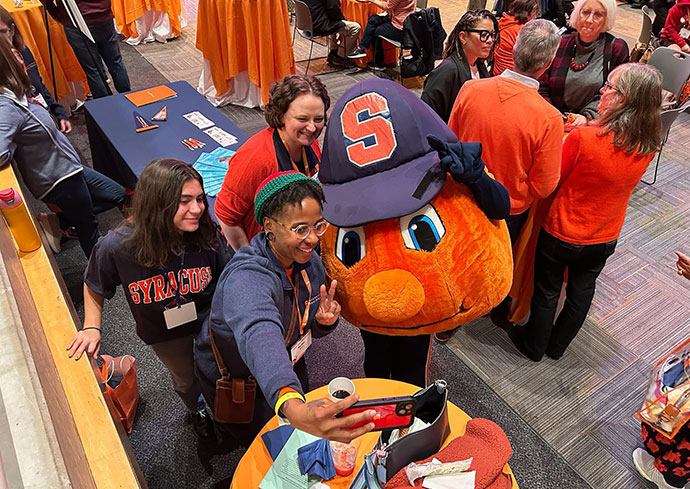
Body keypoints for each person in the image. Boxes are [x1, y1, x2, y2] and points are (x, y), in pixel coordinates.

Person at [196, 172, 375, 446]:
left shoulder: (309, 263)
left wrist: (323, 323)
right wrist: (292, 404)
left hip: (289, 362)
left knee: (287, 429)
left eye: (318, 226)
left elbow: (300, 324)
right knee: (255, 438)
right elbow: (260, 332)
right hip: (242, 378)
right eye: (300, 228)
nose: (313, 239)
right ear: (269, 226)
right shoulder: (247, 276)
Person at [66, 159, 233, 441]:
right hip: (164, 331)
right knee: (186, 378)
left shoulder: (203, 229)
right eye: (184, 201)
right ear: (158, 203)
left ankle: (224, 409)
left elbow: (230, 275)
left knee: (219, 369)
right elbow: (94, 282)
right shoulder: (117, 245)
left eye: (200, 199)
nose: (197, 209)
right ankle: (198, 411)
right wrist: (92, 327)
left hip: (208, 318)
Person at [509, 63, 662, 362]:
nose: (602, 91)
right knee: (582, 292)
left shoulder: (584, 140)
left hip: (563, 232)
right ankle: (557, 347)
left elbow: (552, 179)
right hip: (606, 235)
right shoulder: (648, 143)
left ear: (624, 99)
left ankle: (534, 346)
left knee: (547, 291)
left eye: (610, 87)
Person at [0, 38, 124, 257]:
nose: (21, 57)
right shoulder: (6, 106)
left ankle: (60, 219)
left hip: (70, 167)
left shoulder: (19, 92)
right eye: (15, 55)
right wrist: (12, 150)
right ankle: (100, 280)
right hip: (57, 178)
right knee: (89, 228)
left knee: (117, 193)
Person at [449, 19, 563, 246]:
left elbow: (451, 140)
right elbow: (543, 187)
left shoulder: (470, 89)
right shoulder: (550, 119)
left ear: (513, 49)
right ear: (549, 63)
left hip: (460, 197)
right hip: (508, 212)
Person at [215, 74, 329, 251]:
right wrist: (252, 261)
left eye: (318, 119)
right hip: (264, 251)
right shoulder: (255, 157)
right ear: (282, 116)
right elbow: (226, 216)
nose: (312, 128)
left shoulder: (310, 143)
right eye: (302, 119)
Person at [538, 0, 628, 130]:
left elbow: (617, 94)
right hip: (553, 122)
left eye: (598, 15)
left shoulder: (616, 48)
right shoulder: (560, 43)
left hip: (593, 126)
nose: (589, 20)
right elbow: (541, 85)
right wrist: (556, 116)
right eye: (585, 12)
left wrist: (587, 117)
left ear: (607, 19)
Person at [0, 6, 71, 133]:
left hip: (44, 120)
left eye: (2, 32)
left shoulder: (24, 52)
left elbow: (38, 85)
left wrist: (58, 112)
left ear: (11, 30)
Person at [40, 0, 131, 98]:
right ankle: (128, 98)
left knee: (92, 70)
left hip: (75, 21)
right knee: (115, 62)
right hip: (102, 16)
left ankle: (105, 106)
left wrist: (59, 16)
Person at [421, 9, 497, 123]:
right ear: (463, 37)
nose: (490, 40)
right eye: (484, 34)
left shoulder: (480, 66)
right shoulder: (447, 71)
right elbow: (426, 116)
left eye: (492, 35)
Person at [347, 0, 416, 67]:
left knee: (374, 31)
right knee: (373, 19)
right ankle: (362, 48)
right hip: (403, 21)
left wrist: (372, 0)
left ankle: (379, 63)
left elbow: (387, 6)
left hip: (400, 28)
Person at [303, 0, 361, 67]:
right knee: (355, 27)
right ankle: (340, 57)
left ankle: (333, 52)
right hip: (320, 26)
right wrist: (342, 20)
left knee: (333, 21)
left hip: (307, 25)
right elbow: (333, 8)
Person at [492, 0, 538, 75]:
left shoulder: (503, 22)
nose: (535, 17)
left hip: (497, 72)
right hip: (513, 76)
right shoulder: (523, 31)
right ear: (525, 13)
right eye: (533, 13)